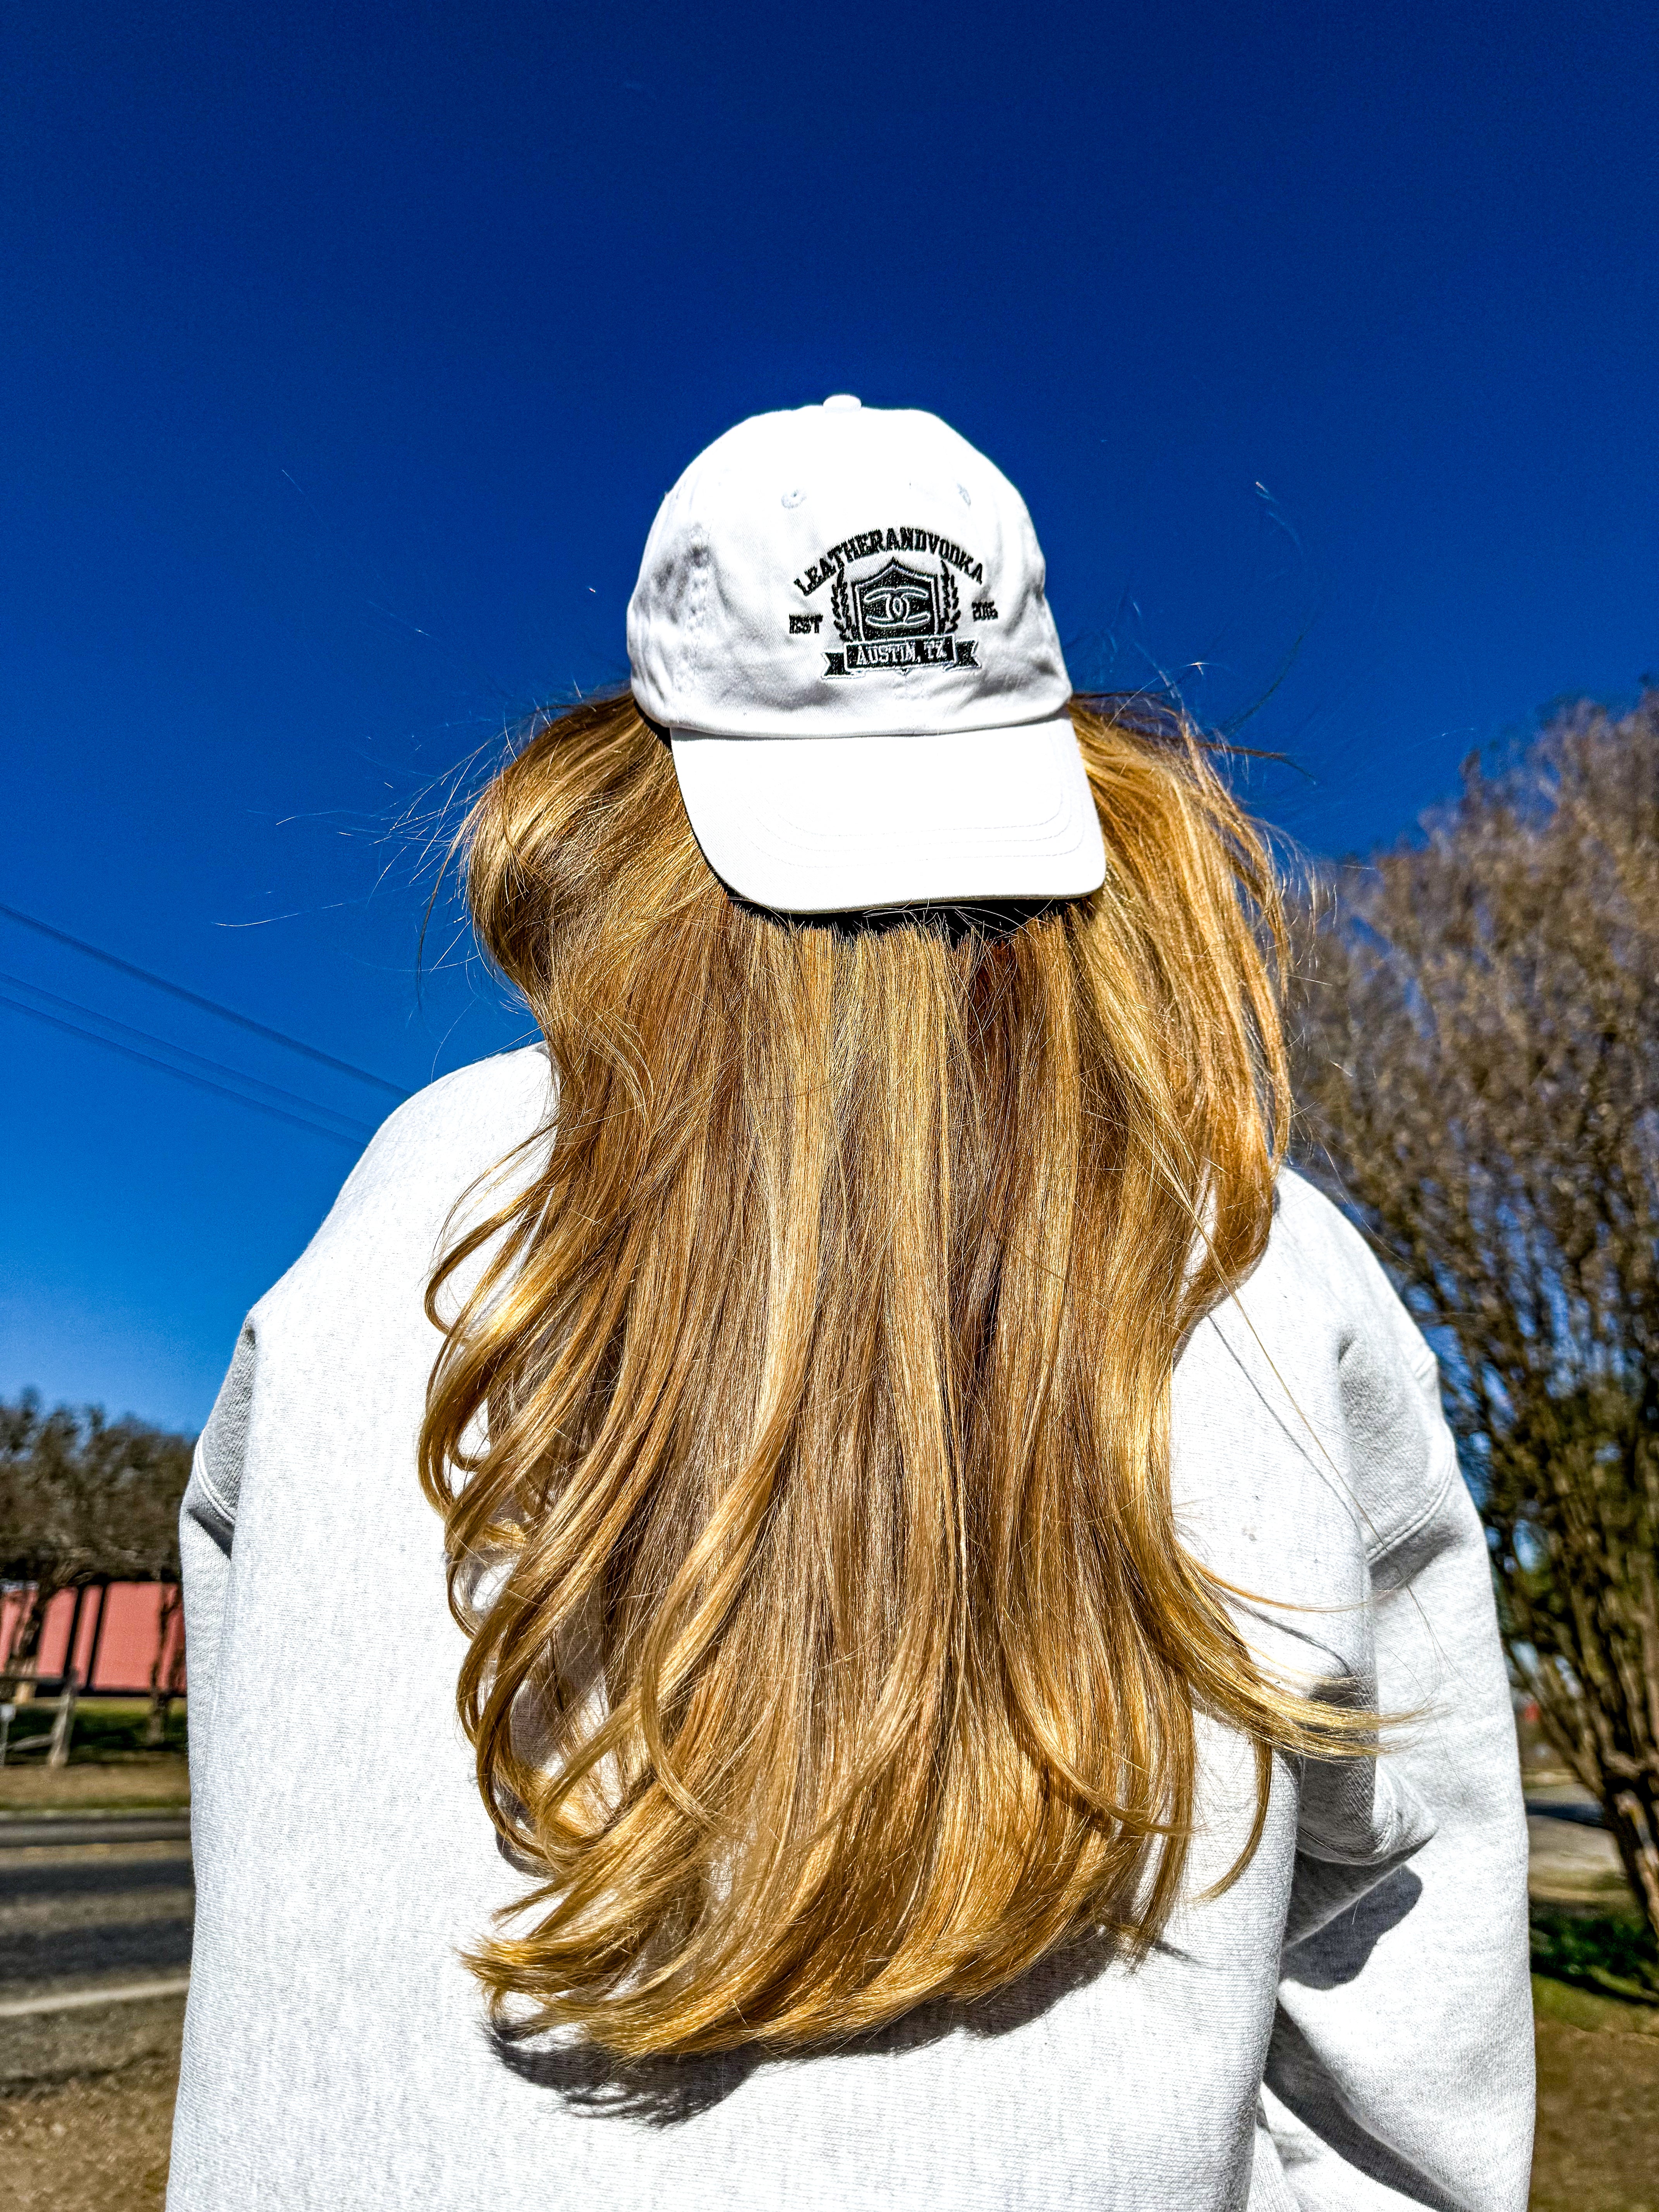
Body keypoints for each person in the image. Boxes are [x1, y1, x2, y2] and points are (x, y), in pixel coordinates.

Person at [167, 398, 1533, 2210]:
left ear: (626, 778)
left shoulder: (414, 1203)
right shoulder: (1259, 1258)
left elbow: (264, 1814)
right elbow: (1409, 2045)